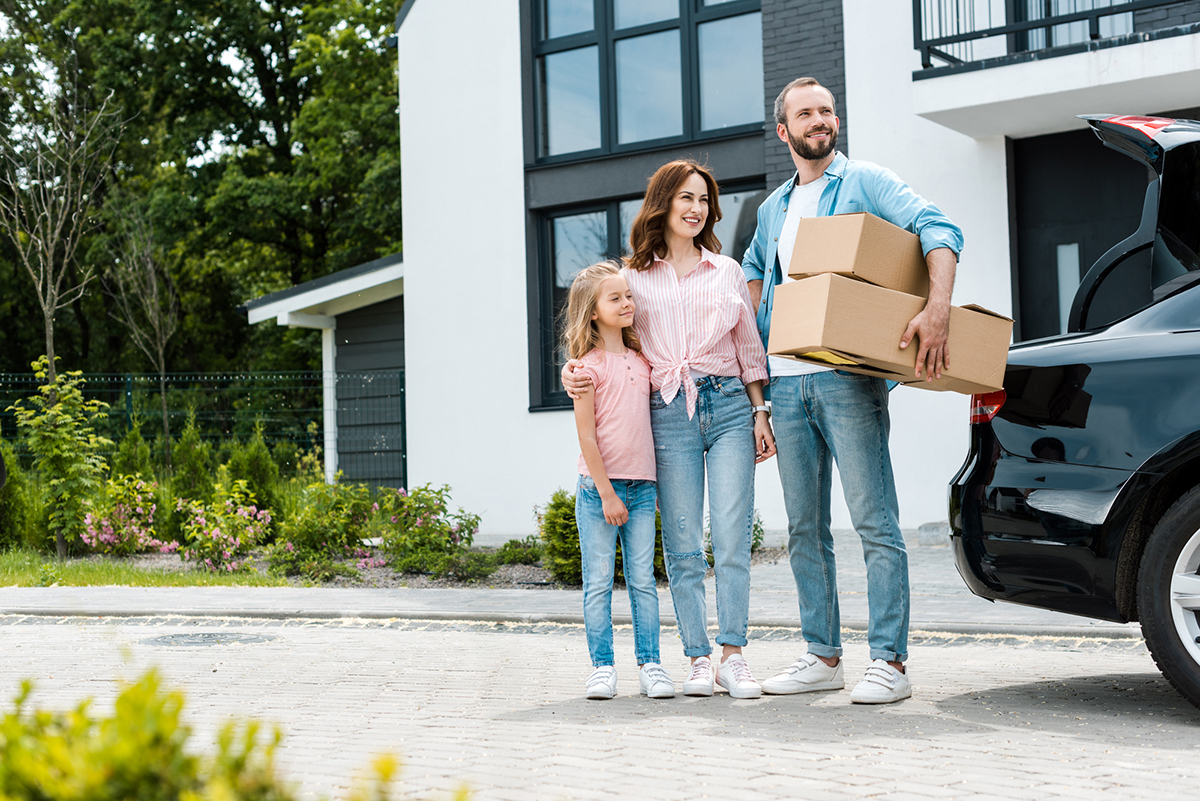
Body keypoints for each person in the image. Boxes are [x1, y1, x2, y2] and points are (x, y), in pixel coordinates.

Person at [745, 78, 964, 704]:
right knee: (805, 529)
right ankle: (822, 654)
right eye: (805, 113)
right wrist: (761, 374)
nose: (820, 119)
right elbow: (757, 273)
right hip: (786, 386)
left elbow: (938, 227)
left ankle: (890, 663)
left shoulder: (863, 182)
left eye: (826, 110)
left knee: (874, 521)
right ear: (784, 132)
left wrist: (938, 310)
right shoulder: (772, 209)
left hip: (847, 380)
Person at [565, 160, 776, 699]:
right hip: (666, 412)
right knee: (683, 546)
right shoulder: (632, 278)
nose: (696, 208)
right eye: (685, 197)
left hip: (728, 405)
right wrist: (574, 370)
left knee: (730, 538)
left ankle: (733, 655)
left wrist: (760, 412)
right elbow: (602, 330)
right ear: (664, 203)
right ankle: (698, 657)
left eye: (704, 200)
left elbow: (749, 348)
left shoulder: (726, 270)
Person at [563, 260, 674, 701]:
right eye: (615, 298)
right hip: (598, 492)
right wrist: (607, 493)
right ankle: (603, 667)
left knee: (644, 581)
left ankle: (651, 665)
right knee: (598, 583)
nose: (627, 303)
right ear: (593, 311)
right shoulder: (586, 370)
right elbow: (587, 437)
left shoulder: (643, 361)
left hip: (643, 490)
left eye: (629, 295)